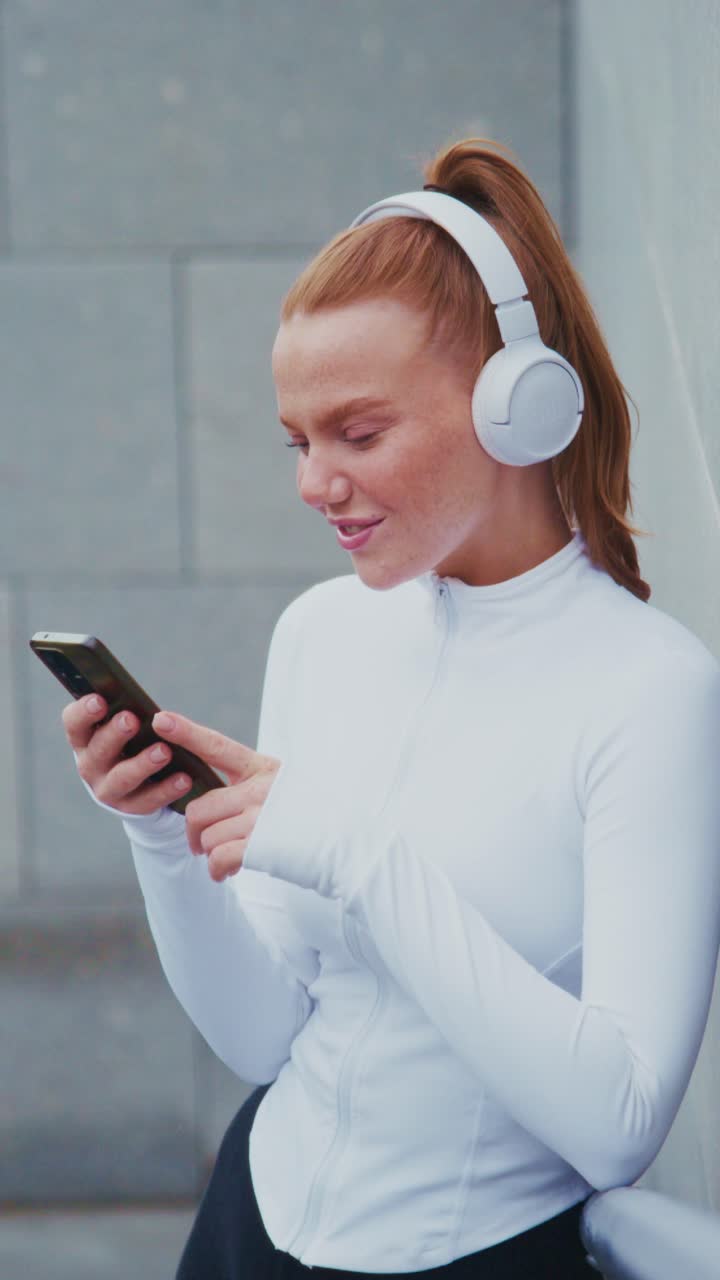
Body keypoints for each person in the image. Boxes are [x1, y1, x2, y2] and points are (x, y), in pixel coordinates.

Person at [63, 137, 720, 1278]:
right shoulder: (321, 633)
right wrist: (163, 835)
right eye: (299, 441)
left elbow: (619, 1124)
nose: (316, 483)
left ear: (518, 407)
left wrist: (360, 855)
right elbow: (265, 1035)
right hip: (244, 1228)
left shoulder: (650, 690)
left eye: (359, 433)